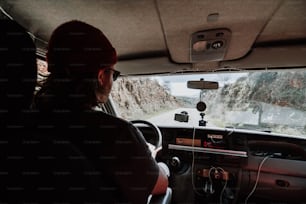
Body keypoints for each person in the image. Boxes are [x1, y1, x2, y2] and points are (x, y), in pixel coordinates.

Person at [34, 20, 169, 204]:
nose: (112, 80)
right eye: (112, 73)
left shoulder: (28, 121)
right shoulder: (116, 134)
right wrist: (152, 159)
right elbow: (160, 185)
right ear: (100, 76)